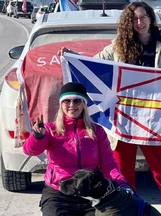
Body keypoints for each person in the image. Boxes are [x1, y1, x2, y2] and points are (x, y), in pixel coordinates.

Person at [58, 2, 161, 215]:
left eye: (142, 17)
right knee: (123, 168)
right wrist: (73, 56)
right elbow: (94, 66)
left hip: (153, 117)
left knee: (160, 166)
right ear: (128, 22)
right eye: (134, 19)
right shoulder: (118, 46)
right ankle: (130, 207)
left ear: (150, 18)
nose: (139, 22)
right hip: (124, 117)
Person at [23, 82, 129, 216]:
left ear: (84, 105)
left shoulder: (97, 131)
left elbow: (109, 165)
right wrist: (37, 136)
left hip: (90, 194)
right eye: (66, 101)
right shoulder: (50, 129)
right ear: (61, 105)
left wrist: (122, 184)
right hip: (58, 192)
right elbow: (30, 150)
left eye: (77, 101)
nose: (72, 105)